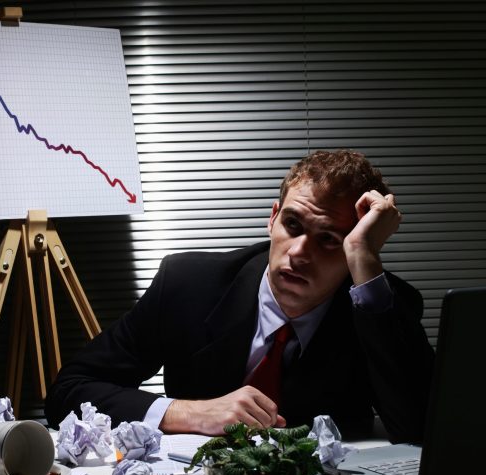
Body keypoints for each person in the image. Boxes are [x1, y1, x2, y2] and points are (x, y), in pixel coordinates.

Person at [45, 150, 434, 444]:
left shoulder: (378, 304)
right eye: (292, 225)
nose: (298, 252)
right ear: (272, 217)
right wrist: (190, 413)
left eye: (329, 240)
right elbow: (69, 391)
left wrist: (364, 258)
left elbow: (424, 431)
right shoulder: (190, 285)